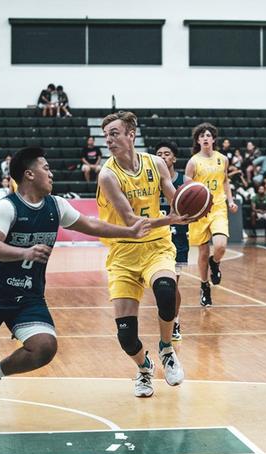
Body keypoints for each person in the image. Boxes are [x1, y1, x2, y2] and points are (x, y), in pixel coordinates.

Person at [0, 146, 151, 429]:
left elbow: (91, 225)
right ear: (29, 174)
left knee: (45, 347)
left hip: (28, 296)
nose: (51, 172)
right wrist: (24, 252)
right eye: (45, 167)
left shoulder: (56, 205)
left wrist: (129, 231)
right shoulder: (6, 207)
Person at [97, 111, 188, 398]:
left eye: (114, 133)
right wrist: (173, 219)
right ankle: (144, 368)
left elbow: (176, 200)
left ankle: (166, 349)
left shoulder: (156, 163)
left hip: (156, 247)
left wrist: (191, 205)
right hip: (123, 252)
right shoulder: (108, 175)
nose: (109, 140)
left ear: (131, 135)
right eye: (106, 135)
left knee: (165, 288)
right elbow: (131, 222)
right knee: (126, 335)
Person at [185, 123, 238, 307]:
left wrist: (230, 201)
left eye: (208, 135)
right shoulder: (193, 162)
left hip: (217, 207)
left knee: (220, 245)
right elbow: (187, 189)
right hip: (199, 210)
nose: (205, 138)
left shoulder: (222, 159)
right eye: (202, 135)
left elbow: (225, 181)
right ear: (198, 140)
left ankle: (215, 263)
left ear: (213, 139)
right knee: (202, 251)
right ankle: (204, 286)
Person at [155, 140, 189, 341]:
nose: (162, 156)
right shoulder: (150, 181)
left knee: (172, 285)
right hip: (154, 238)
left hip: (177, 238)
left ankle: (174, 320)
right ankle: (167, 318)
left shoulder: (185, 181)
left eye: (166, 153)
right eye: (159, 153)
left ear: (174, 158)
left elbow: (194, 208)